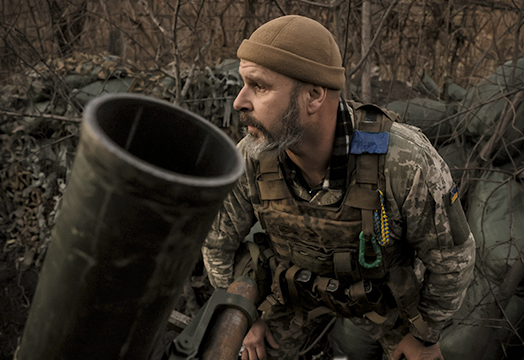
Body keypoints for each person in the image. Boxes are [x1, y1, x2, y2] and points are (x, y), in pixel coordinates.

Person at [202, 15, 475, 360]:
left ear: (314, 96)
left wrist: (426, 334)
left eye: (259, 86)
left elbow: (453, 259)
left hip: (386, 303)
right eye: (243, 84)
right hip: (289, 296)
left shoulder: (404, 161)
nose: (239, 102)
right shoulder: (252, 158)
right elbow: (216, 243)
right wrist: (243, 315)